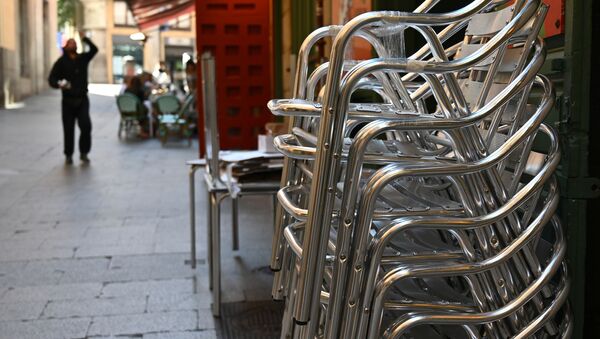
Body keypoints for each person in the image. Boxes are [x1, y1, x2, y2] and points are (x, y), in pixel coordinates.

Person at [48, 32, 98, 164]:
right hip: (68, 101)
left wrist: (84, 38)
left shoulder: (82, 59)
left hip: (82, 99)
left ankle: (84, 152)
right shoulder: (61, 62)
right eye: (70, 43)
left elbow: (94, 50)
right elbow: (52, 79)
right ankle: (68, 154)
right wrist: (59, 84)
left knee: (86, 126)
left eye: (74, 43)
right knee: (68, 129)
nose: (73, 45)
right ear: (66, 46)